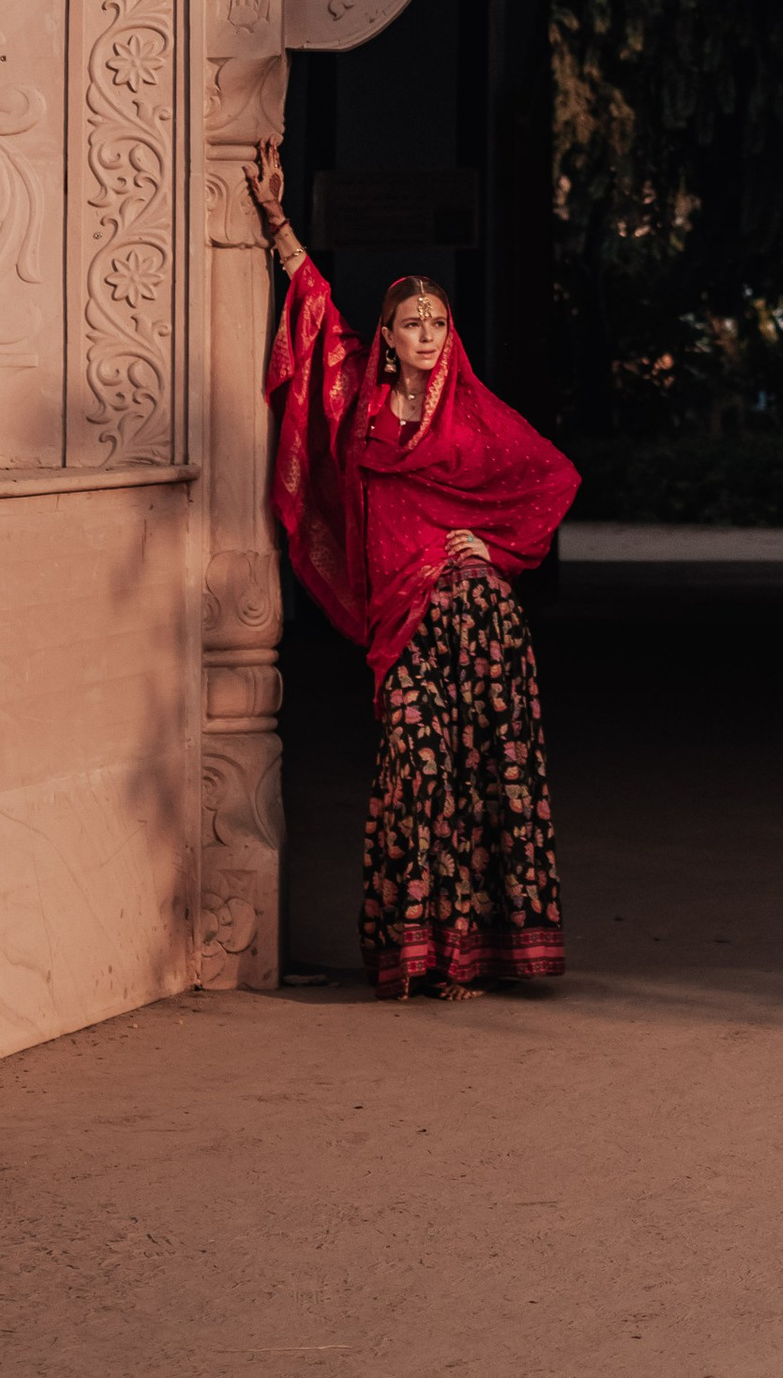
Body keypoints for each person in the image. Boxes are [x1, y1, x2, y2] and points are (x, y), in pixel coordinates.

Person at [244, 143, 578, 1000]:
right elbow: (317, 313)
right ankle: (421, 952)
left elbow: (551, 479)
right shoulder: (361, 399)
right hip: (405, 627)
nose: (429, 336)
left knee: (482, 783)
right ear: (388, 337)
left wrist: (496, 548)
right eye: (414, 324)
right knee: (419, 771)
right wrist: (278, 223)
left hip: (479, 627)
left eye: (438, 323)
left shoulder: (472, 415)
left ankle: (472, 959)